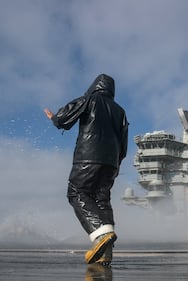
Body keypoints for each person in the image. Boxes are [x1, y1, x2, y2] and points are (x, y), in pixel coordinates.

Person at [44, 74, 128, 266]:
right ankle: (106, 253)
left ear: (94, 87)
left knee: (76, 192)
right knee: (101, 199)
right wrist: (116, 164)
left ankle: (100, 236)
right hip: (111, 163)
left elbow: (65, 118)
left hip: (88, 157)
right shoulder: (120, 111)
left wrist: (54, 119)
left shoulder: (90, 100)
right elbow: (123, 143)